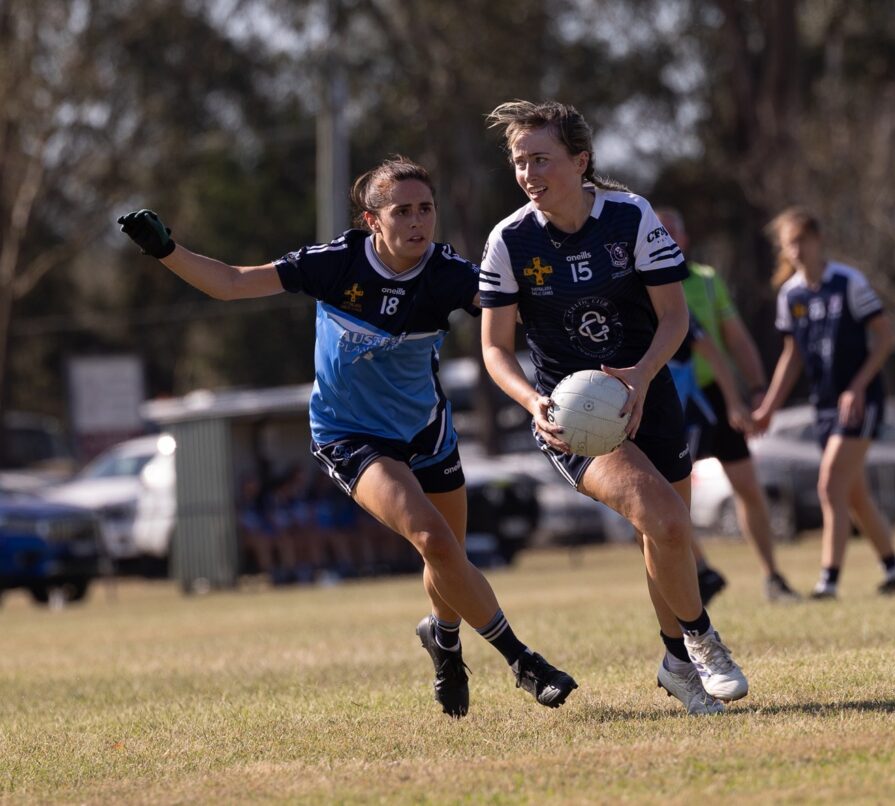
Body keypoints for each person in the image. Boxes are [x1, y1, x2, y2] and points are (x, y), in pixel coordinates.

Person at [117, 156, 577, 718]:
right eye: (402, 211)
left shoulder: (450, 274)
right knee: (433, 540)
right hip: (350, 435)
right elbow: (232, 283)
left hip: (427, 431)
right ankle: (522, 661)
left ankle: (445, 642)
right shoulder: (335, 264)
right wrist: (167, 250)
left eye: (425, 209)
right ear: (371, 220)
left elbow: (519, 315)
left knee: (446, 558)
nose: (417, 221)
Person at [480, 100, 748, 716]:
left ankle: (675, 666)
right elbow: (494, 350)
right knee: (669, 520)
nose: (527, 173)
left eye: (540, 159)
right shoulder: (510, 240)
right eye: (519, 162)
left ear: (580, 161)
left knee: (666, 535)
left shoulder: (630, 216)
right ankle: (703, 641)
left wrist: (641, 375)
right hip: (572, 419)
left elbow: (676, 317)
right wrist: (533, 402)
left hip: (648, 395)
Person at [752, 206, 895, 599]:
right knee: (853, 494)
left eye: (800, 241)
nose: (795, 251)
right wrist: (769, 406)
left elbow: (885, 338)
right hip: (823, 404)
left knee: (829, 486)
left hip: (860, 402)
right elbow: (792, 356)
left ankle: (829, 580)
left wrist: (857, 386)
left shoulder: (848, 282)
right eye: (789, 245)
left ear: (817, 239)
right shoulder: (790, 295)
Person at [655, 206, 801, 603]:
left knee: (747, 487)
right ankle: (701, 571)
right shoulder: (641, 283)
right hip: (669, 401)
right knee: (665, 497)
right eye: (657, 232)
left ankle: (773, 577)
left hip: (716, 397)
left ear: (684, 239)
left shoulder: (705, 281)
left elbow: (731, 341)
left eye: (671, 232)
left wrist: (752, 389)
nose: (665, 239)